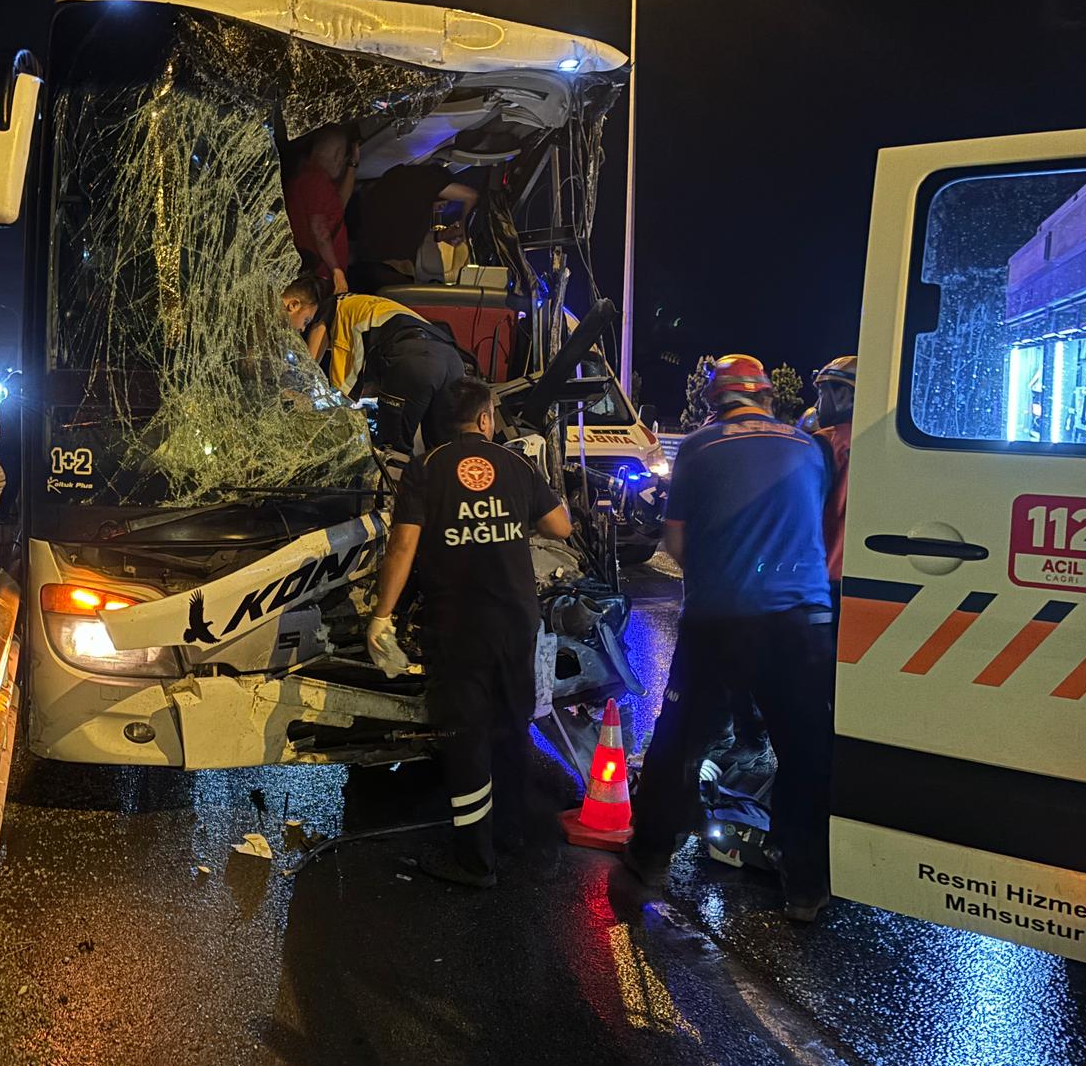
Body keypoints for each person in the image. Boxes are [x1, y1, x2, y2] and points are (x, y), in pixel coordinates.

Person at [621, 354, 835, 921]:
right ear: (767, 397)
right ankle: (805, 886)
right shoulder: (807, 446)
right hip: (803, 622)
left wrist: (718, 579)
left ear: (713, 403)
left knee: (679, 742)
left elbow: (674, 541)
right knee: (805, 752)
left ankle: (649, 859)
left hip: (721, 621)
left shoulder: (696, 448)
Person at [367, 377, 574, 886]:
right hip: (515, 621)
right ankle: (514, 837)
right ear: (485, 419)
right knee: (512, 726)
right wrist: (508, 517)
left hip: (457, 625)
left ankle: (474, 860)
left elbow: (402, 548)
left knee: (465, 737)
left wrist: (381, 616)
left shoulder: (427, 468)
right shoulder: (518, 464)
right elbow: (561, 528)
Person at [281, 275, 465, 452]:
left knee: (393, 451)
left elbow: (335, 384)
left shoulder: (334, 317)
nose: (302, 329)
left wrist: (301, 397)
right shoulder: (361, 304)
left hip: (414, 360)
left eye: (307, 322)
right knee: (443, 450)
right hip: (452, 358)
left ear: (295, 305)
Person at [350, 163, 479, 292]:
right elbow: (471, 196)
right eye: (442, 205)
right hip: (392, 272)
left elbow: (402, 231)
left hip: (361, 267)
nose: (440, 209)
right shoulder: (428, 179)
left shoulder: (392, 184)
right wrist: (463, 230)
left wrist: (441, 236)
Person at [284, 125, 357, 294]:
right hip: (320, 273)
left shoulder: (303, 179)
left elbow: (339, 206)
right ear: (338, 156)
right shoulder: (316, 182)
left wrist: (353, 164)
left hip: (312, 270)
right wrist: (336, 270)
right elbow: (319, 231)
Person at [811, 356, 856, 618]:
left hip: (825, 574)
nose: (818, 405)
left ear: (843, 395)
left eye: (822, 394)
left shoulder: (826, 442)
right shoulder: (884, 443)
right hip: (865, 573)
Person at [0, 370, 22, 523]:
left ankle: (11, 511)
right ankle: (2, 512)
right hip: (8, 449)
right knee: (14, 481)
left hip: (8, 448)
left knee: (16, 480)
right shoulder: (10, 404)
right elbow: (11, 429)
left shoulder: (13, 403)